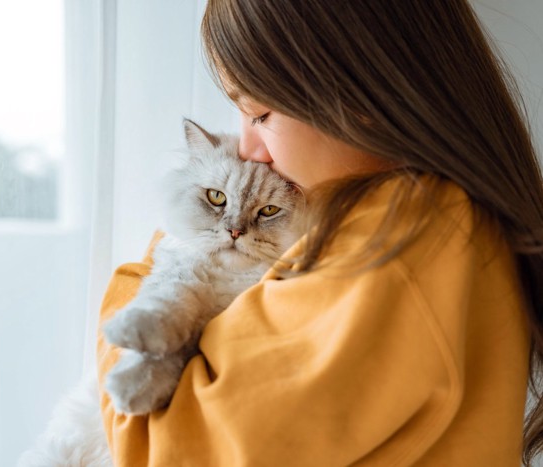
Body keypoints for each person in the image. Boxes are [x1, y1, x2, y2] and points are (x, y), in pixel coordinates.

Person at [97, 1, 543, 465]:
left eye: (261, 115)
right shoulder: (441, 220)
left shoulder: (403, 234)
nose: (251, 151)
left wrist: (136, 281)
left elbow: (167, 447)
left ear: (359, 95)